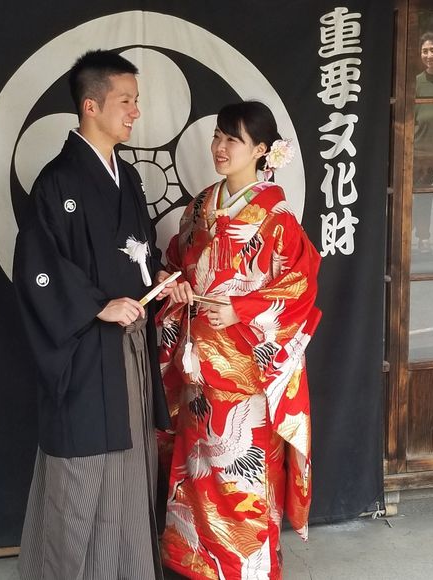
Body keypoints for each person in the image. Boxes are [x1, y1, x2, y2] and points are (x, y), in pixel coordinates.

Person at [12, 49, 174, 580]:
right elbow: (37, 266)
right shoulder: (57, 181)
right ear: (91, 105)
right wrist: (95, 305)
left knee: (132, 460)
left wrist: (160, 277)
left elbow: (139, 251)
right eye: (126, 101)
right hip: (84, 349)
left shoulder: (128, 177)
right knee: (83, 464)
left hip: (129, 344)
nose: (135, 112)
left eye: (135, 101)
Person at [157, 101, 321, 579]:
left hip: (249, 370)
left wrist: (242, 309)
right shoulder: (199, 206)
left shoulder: (277, 216)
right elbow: (175, 262)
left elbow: (300, 285)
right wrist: (174, 284)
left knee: (242, 473)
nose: (220, 147)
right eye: (218, 136)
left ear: (261, 150)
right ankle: (195, 566)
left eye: (233, 139)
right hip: (198, 363)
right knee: (197, 468)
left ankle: (245, 569)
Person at [413, 31, 433, 254]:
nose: (429, 55)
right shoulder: (416, 82)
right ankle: (423, 238)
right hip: (422, 149)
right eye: (425, 51)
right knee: (423, 197)